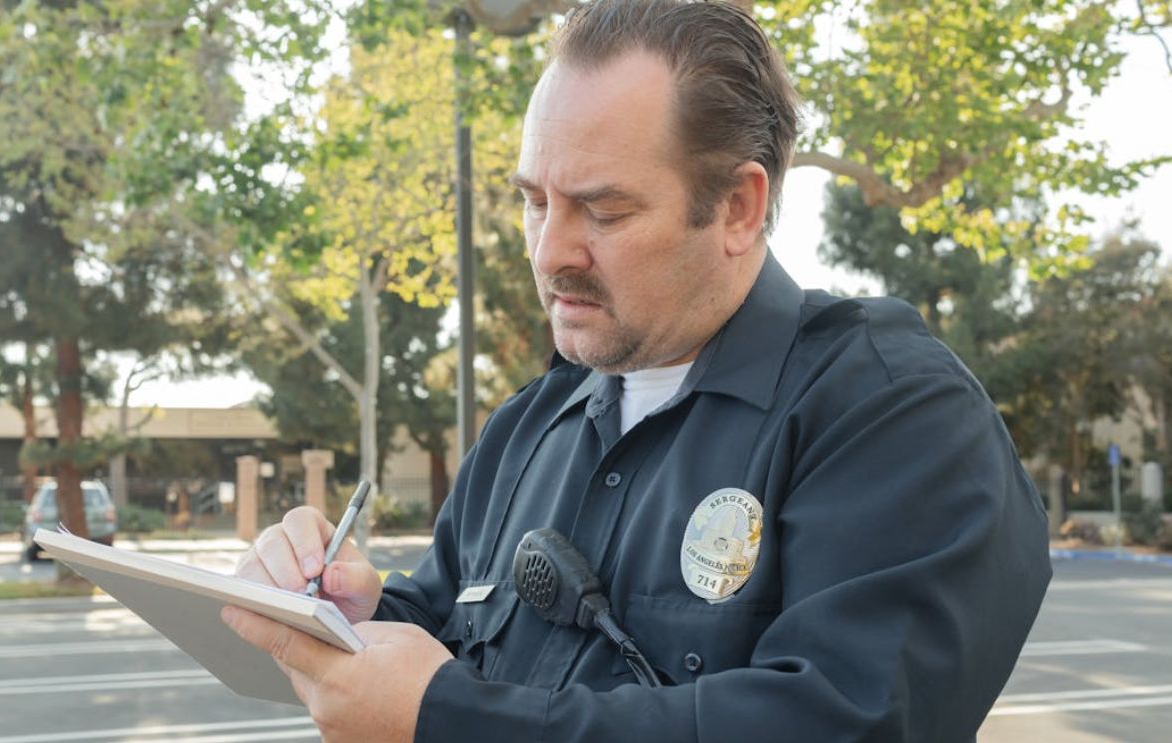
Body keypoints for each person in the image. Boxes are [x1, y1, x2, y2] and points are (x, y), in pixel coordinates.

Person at [224, 1, 1052, 740]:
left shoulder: (889, 410)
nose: (550, 253)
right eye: (534, 201)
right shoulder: (527, 427)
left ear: (737, 206)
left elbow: (840, 721)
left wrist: (447, 719)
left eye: (604, 209)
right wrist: (348, 614)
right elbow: (442, 624)